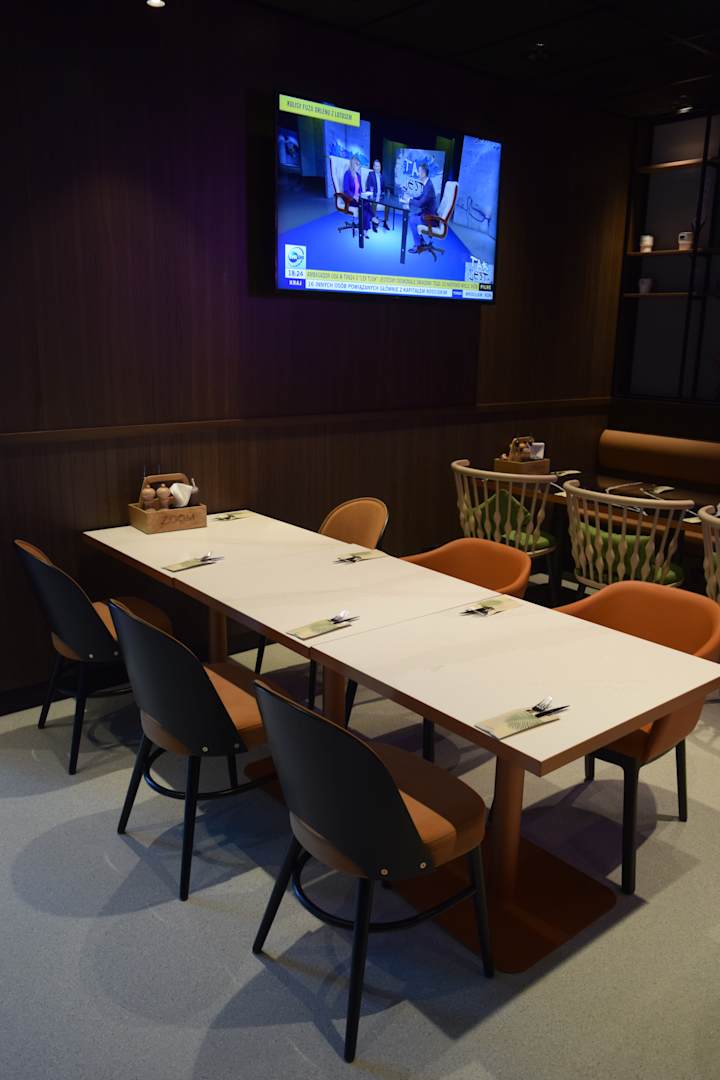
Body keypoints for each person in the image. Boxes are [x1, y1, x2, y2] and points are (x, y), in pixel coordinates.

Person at [408, 162, 437, 254]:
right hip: (427, 214)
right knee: (413, 216)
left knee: (411, 220)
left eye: (419, 171)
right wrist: (411, 198)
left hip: (430, 218)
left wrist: (409, 200)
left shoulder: (429, 186)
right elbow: (421, 197)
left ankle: (418, 246)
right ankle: (421, 241)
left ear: (424, 173)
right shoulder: (427, 183)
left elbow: (420, 204)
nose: (418, 173)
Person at [342, 156, 372, 237]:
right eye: (357, 164)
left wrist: (363, 195)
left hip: (358, 198)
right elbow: (346, 190)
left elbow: (360, 190)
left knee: (366, 204)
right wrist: (354, 196)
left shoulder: (358, 175)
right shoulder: (347, 174)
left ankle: (365, 228)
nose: (359, 166)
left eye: (359, 164)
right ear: (353, 164)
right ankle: (367, 225)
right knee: (364, 206)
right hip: (350, 199)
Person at [364, 159, 390, 232]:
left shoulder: (382, 176)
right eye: (376, 166)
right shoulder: (371, 175)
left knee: (388, 204)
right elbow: (369, 187)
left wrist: (386, 192)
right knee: (374, 202)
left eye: (379, 166)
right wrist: (373, 193)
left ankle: (385, 222)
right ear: (373, 167)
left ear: (380, 167)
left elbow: (384, 188)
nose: (378, 168)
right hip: (373, 197)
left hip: (380, 197)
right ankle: (374, 222)